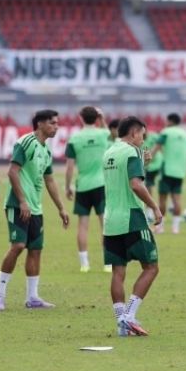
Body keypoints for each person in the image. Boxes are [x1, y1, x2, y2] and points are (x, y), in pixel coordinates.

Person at [0, 109, 70, 311]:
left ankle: (32, 297)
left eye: (57, 122)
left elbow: (50, 180)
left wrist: (61, 208)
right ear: (41, 124)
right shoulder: (25, 142)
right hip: (18, 205)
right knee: (18, 246)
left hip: (36, 208)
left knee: (35, 250)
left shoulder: (47, 150)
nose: (56, 126)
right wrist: (23, 201)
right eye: (53, 123)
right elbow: (12, 172)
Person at [102, 116, 163, 337]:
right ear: (135, 133)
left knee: (118, 272)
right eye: (142, 135)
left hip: (110, 220)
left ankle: (121, 323)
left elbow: (121, 179)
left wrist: (142, 164)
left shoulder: (109, 152)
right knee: (151, 267)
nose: (143, 140)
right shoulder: (131, 151)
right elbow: (135, 185)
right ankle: (129, 315)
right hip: (132, 217)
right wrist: (154, 207)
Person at [66, 106, 110, 272]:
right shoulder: (103, 134)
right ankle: (108, 263)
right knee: (105, 225)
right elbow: (113, 136)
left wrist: (67, 186)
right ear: (97, 118)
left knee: (83, 226)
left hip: (83, 185)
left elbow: (70, 166)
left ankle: (84, 264)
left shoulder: (75, 138)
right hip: (101, 184)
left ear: (81, 118)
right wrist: (103, 119)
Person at [154, 113, 186, 235]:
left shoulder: (166, 132)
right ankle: (176, 228)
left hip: (167, 170)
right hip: (180, 171)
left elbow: (157, 147)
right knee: (177, 200)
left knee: (162, 199)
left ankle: (160, 227)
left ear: (170, 121)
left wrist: (146, 160)